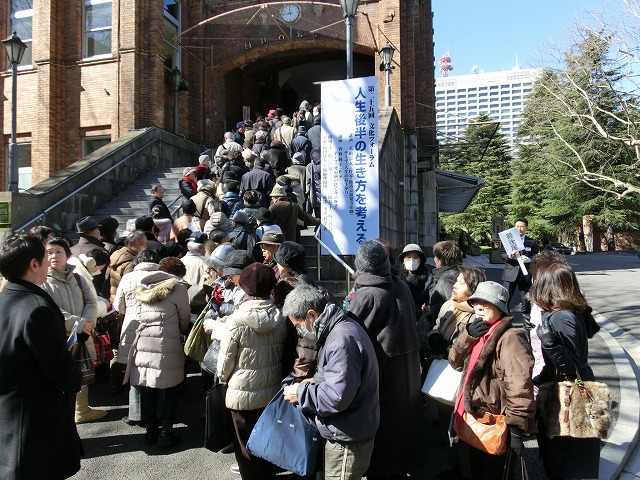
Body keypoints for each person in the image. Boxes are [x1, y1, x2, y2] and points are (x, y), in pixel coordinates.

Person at [0, 234, 83, 480]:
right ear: (33, 265)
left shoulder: (7, 297)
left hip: (10, 408)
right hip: (33, 414)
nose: (50, 261)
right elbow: (59, 369)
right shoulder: (36, 308)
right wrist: (73, 367)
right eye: (45, 257)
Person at [282, 284, 380, 480]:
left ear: (311, 315)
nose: (300, 331)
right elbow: (338, 378)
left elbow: (337, 397)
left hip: (347, 436)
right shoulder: (340, 327)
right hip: (352, 427)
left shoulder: (340, 339)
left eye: (298, 325)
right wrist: (313, 380)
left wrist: (300, 392)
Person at [346, 240, 424, 479]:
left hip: (382, 366)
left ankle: (385, 470)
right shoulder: (400, 284)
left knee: (383, 423)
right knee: (404, 417)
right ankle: (405, 465)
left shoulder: (367, 293)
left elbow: (352, 333)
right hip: (408, 359)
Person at [449, 281, 535, 480]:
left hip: (496, 421)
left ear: (500, 307)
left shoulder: (511, 338)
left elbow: (519, 385)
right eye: (476, 302)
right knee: (477, 470)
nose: (479, 307)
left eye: (486, 303)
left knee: (495, 473)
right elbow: (454, 361)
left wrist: (516, 427)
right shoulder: (477, 331)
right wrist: (468, 336)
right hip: (475, 417)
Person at [529, 261, 601, 480]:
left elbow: (572, 367)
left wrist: (551, 344)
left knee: (563, 451)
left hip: (565, 393)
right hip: (565, 388)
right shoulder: (570, 311)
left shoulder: (562, 317)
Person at [215, 263, 287, 479]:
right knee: (266, 442)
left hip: (241, 391)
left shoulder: (237, 320)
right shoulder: (280, 316)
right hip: (272, 388)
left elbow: (225, 360)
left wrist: (222, 378)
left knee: (245, 448)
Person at [426, 265, 486, 480]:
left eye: (460, 283)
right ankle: (455, 466)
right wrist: (434, 336)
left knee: (460, 429)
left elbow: (472, 354)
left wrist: (450, 348)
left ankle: (465, 471)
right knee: (445, 425)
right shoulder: (448, 306)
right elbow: (435, 326)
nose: (454, 286)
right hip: (443, 373)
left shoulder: (478, 316)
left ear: (472, 289)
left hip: (461, 378)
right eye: (456, 281)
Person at [124, 255, 190, 447]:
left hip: (143, 340)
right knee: (172, 386)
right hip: (167, 341)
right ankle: (166, 431)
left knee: (148, 387)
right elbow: (184, 317)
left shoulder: (144, 287)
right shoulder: (178, 288)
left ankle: (150, 430)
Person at [41, 238, 106, 424]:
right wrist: (78, 323)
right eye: (49, 252)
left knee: (80, 371)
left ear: (67, 254)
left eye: (58, 251)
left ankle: (82, 410)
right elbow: (49, 308)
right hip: (59, 336)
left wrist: (86, 323)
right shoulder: (42, 280)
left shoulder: (78, 277)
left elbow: (91, 302)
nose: (54, 256)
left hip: (81, 334)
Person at [501, 217, 538, 326]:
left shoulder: (531, 242)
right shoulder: (508, 240)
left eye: (522, 226)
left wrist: (530, 259)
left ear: (526, 228)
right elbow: (502, 254)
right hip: (510, 274)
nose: (519, 229)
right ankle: (504, 324)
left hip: (525, 276)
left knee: (526, 301)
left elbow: (536, 255)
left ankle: (527, 325)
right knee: (505, 299)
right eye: (517, 226)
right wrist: (509, 256)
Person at [428, 240, 463, 328]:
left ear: (440, 259)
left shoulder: (448, 279)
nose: (434, 259)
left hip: (444, 328)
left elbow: (454, 307)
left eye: (435, 256)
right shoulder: (457, 273)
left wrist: (432, 310)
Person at [398, 243, 431, 321]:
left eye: (415, 257)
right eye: (409, 257)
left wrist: (428, 306)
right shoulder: (397, 277)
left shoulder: (428, 278)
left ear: (420, 260)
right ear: (403, 260)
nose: (412, 260)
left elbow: (432, 297)